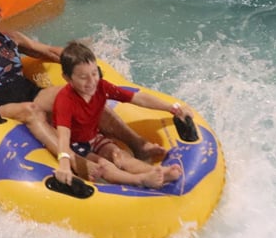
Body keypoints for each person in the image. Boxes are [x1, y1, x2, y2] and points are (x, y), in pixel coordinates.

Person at [0, 0, 166, 165]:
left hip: (31, 93)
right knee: (31, 110)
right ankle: (71, 160)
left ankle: (139, 145)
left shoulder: (10, 38)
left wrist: (81, 60)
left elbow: (49, 51)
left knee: (78, 94)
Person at [53, 41, 185, 189]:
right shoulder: (65, 100)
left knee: (119, 155)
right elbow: (63, 136)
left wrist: (171, 107)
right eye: (83, 77)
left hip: (93, 137)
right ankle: (139, 180)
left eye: (94, 73)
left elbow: (137, 98)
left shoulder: (101, 87)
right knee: (103, 165)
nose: (91, 81)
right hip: (74, 146)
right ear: (67, 78)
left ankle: (158, 172)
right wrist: (64, 163)